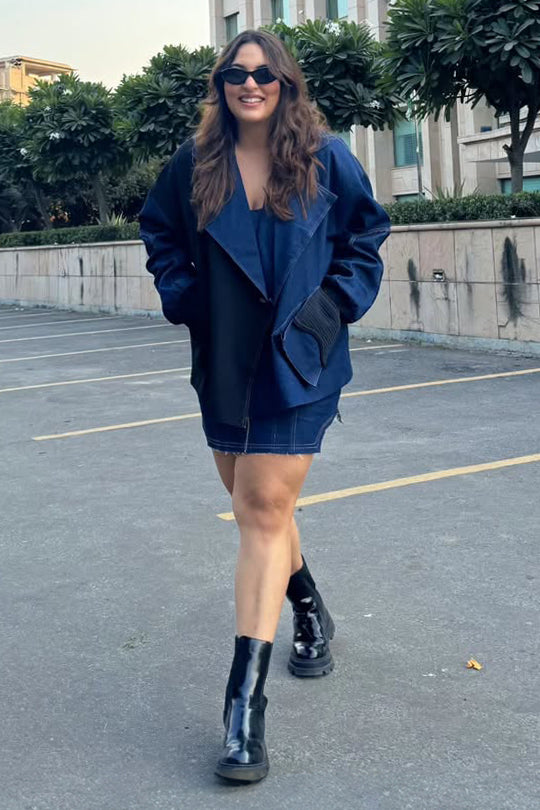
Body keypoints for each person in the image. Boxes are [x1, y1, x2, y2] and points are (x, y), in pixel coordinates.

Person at [138, 29, 391, 784]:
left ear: (286, 83)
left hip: (297, 359)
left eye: (265, 74)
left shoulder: (325, 156)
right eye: (236, 73)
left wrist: (329, 311)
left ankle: (242, 709)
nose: (250, 84)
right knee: (262, 511)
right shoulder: (194, 164)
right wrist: (187, 299)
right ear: (221, 86)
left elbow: (366, 235)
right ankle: (308, 606)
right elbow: (159, 233)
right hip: (224, 361)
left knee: (260, 509)